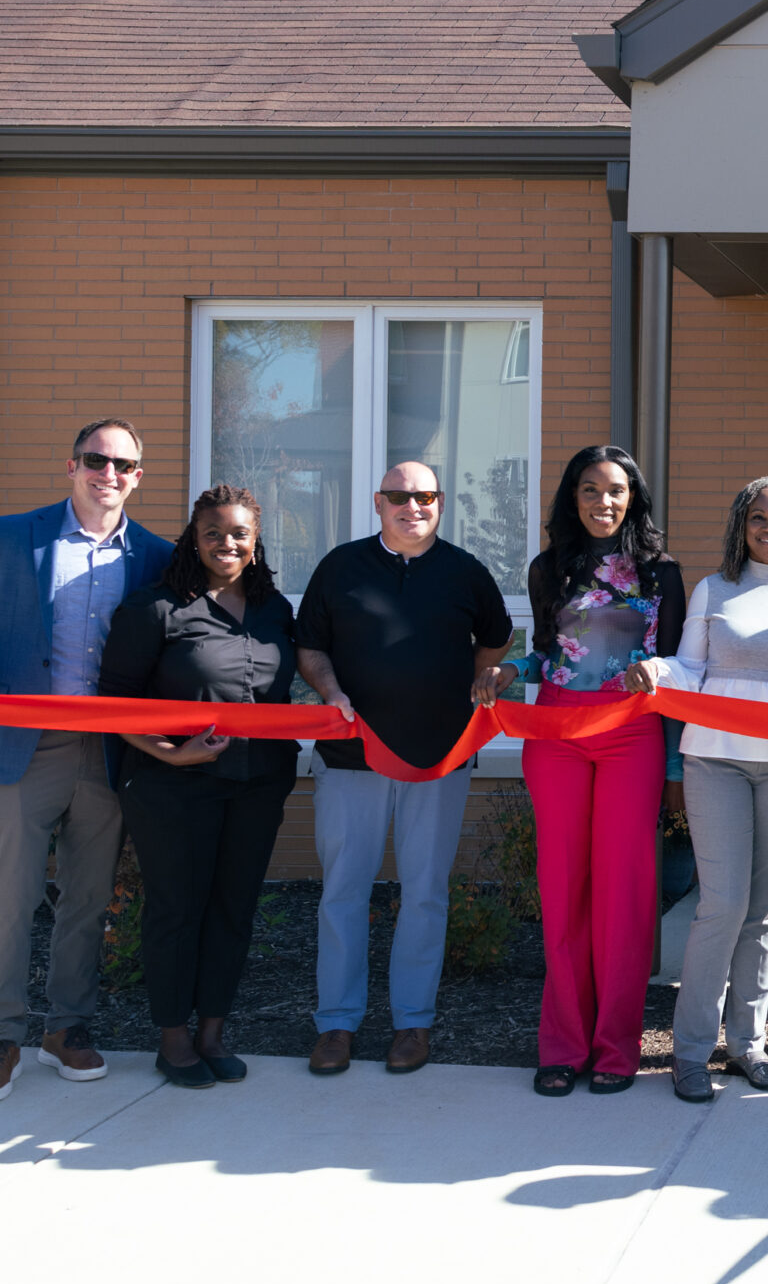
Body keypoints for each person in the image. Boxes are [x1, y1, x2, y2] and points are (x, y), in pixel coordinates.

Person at [0, 419, 175, 1104]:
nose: (109, 473)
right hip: (23, 744)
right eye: (97, 459)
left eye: (124, 464)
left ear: (137, 476)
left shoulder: (155, 555)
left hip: (107, 751)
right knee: (11, 894)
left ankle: (66, 1027)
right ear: (71, 465)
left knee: (88, 896)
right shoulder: (13, 536)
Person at [294, 461, 515, 1078]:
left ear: (440, 503)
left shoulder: (465, 572)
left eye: (424, 496)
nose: (411, 506)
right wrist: (331, 691)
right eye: (399, 496)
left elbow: (497, 641)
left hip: (439, 760)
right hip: (350, 758)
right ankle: (336, 1023)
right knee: (343, 891)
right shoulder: (341, 567)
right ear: (378, 501)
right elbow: (308, 645)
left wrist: (482, 676)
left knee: (424, 894)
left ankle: (412, 1023)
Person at [628, 476, 768, 1103]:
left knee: (763, 908)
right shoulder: (714, 590)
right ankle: (690, 1053)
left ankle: (748, 1046)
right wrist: (656, 671)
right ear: (740, 526)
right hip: (715, 761)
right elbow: (691, 668)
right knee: (721, 905)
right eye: (757, 518)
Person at [485, 447, 684, 1098]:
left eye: (616, 490)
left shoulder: (661, 573)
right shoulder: (550, 567)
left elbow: (678, 669)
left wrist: (677, 766)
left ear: (634, 498)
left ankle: (615, 1047)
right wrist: (512, 670)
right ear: (572, 497)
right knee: (563, 885)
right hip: (559, 731)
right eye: (589, 489)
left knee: (623, 893)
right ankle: (563, 1045)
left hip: (632, 731)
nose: (603, 500)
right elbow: (549, 650)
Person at [99, 485, 300, 1088]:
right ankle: (173, 1039)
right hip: (170, 787)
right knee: (176, 909)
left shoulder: (274, 610)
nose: (226, 544)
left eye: (239, 533)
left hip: (257, 783)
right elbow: (114, 703)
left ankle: (213, 1031)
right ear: (194, 537)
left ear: (256, 540)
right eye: (213, 532)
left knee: (233, 908)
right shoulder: (156, 608)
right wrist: (171, 752)